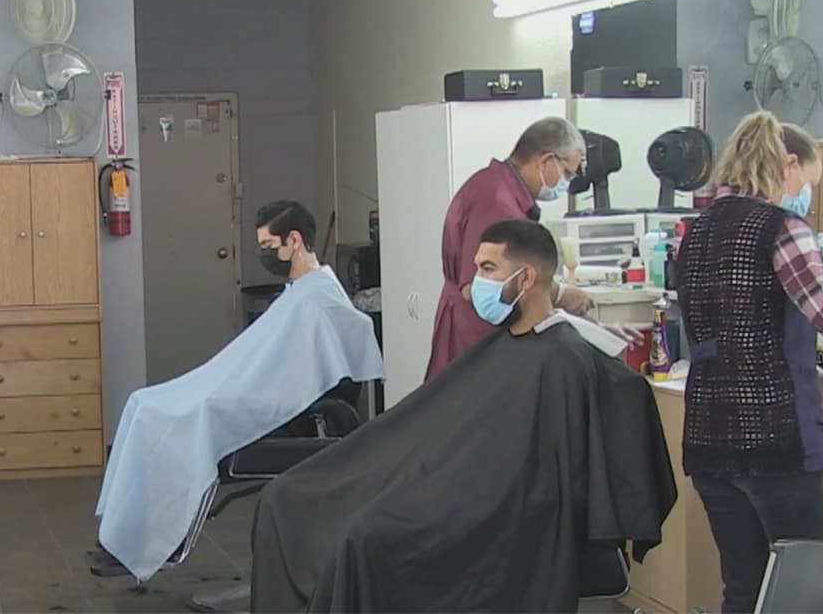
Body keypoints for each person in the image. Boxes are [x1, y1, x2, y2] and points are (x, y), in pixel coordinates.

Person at [252, 219, 676, 613]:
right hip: (456, 485)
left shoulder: (561, 360)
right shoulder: (511, 345)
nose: (476, 283)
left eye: (488, 268)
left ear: (527, 278)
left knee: (361, 539)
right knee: (285, 498)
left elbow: (536, 480)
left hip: (501, 512)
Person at [676, 112, 823, 613]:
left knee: (744, 588)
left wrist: (811, 375)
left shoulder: (697, 231)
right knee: (809, 593)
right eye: (808, 181)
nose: (806, 194)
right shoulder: (780, 227)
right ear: (788, 164)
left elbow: (727, 335)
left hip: (708, 440)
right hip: (773, 441)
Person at [94, 200, 385, 581]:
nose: (264, 255)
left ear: (294, 241)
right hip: (241, 388)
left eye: (268, 246)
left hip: (266, 404)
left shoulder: (319, 298)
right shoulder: (302, 290)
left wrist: (227, 391)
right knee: (141, 403)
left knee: (164, 419)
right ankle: (121, 537)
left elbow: (312, 365)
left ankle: (142, 545)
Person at [426, 116, 613, 381]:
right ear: (546, 161)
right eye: (568, 173)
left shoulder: (498, 189)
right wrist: (558, 294)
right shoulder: (496, 201)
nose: (567, 183)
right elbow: (479, 287)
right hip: (475, 339)